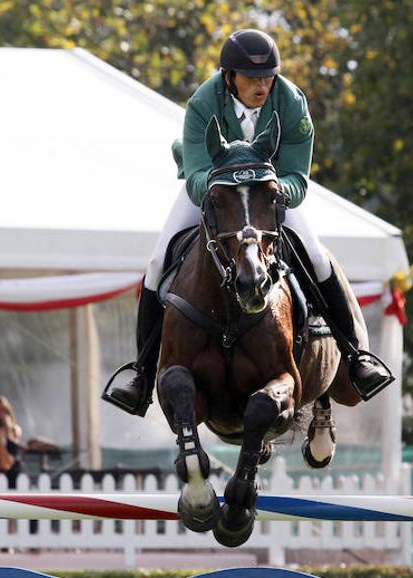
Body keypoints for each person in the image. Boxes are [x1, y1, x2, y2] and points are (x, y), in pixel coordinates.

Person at [106, 29, 390, 416]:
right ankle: (140, 373)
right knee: (158, 261)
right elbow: (194, 177)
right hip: (214, 193)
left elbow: (297, 177)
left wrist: (268, 192)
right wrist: (226, 186)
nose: (262, 85)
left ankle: (357, 357)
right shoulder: (204, 102)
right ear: (229, 77)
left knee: (317, 258)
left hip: (267, 195)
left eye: (267, 77)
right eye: (252, 78)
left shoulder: (291, 103)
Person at [0, 395, 23, 487]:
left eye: (3, 410)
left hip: (12, 482)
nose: (0, 414)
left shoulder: (14, 431)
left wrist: (2, 434)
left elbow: (6, 464)